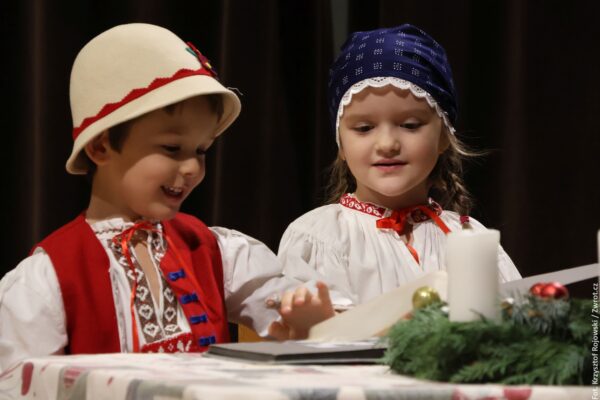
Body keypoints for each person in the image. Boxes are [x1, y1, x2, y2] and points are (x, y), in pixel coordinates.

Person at [0, 23, 324, 371]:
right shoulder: (49, 277)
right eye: (172, 148)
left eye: (201, 151)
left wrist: (306, 317)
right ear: (100, 146)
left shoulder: (212, 251)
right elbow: (20, 384)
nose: (191, 168)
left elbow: (280, 301)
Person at [276, 24, 522, 314]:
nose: (387, 144)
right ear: (341, 145)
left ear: (444, 137)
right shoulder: (320, 238)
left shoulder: (470, 237)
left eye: (410, 125)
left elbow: (517, 332)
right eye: (364, 128)